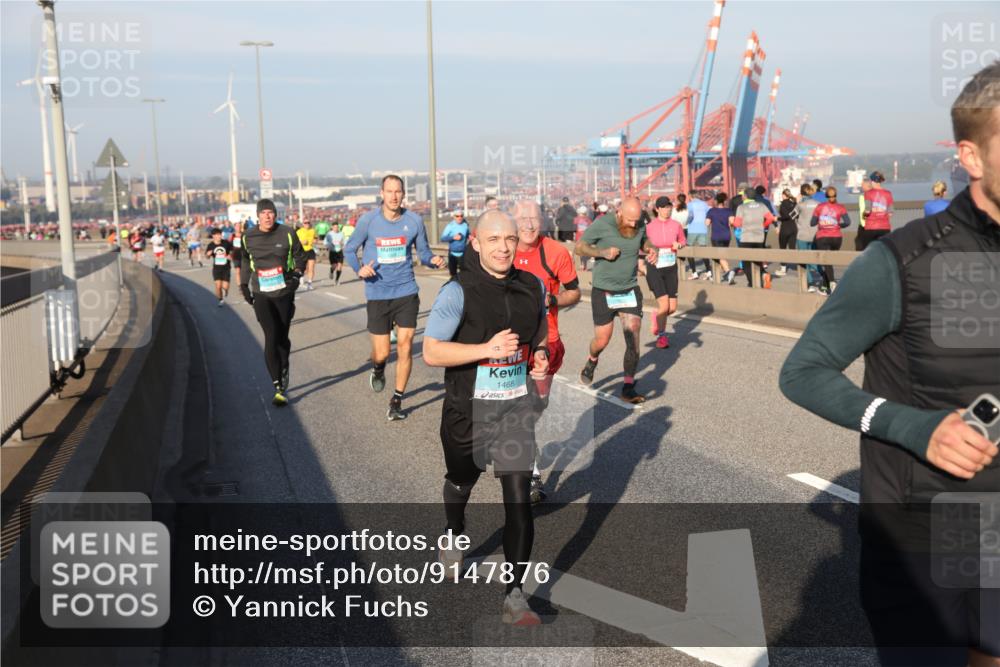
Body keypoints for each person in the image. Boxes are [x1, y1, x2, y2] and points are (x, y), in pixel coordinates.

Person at [780, 61, 999, 667]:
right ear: (972, 157)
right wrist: (914, 427)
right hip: (925, 536)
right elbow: (802, 372)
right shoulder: (900, 263)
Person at [422, 209, 548, 627]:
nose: (503, 247)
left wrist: (541, 359)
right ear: (475, 242)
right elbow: (432, 351)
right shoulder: (458, 292)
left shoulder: (532, 286)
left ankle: (515, 595)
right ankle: (454, 531)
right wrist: (484, 350)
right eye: (493, 239)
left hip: (514, 409)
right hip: (467, 411)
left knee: (519, 503)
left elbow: (538, 335)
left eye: (510, 239)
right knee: (461, 480)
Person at [344, 174, 446, 421]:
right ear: (382, 193)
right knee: (380, 353)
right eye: (389, 191)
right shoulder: (369, 221)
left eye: (398, 192)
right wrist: (359, 269)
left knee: (405, 345)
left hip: (406, 292)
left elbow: (422, 252)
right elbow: (349, 248)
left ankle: (397, 399)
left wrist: (432, 261)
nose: (393, 196)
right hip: (378, 293)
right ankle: (379, 369)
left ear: (403, 194)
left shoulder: (413, 220)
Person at [512, 199, 582, 502]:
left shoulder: (556, 252)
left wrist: (554, 300)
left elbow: (575, 291)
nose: (528, 224)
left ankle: (526, 449)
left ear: (543, 221)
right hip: (510, 345)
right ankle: (532, 472)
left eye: (534, 218)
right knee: (520, 411)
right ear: (513, 220)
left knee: (537, 405)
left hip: (547, 341)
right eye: (523, 218)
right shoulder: (503, 250)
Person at [574, 197, 657, 403]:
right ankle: (592, 360)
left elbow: (644, 239)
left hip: (628, 289)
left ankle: (628, 386)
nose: (633, 224)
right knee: (602, 339)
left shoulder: (639, 222)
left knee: (633, 334)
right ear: (619, 212)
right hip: (604, 291)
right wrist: (602, 252)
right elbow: (580, 247)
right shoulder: (603, 223)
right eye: (629, 220)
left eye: (636, 220)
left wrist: (650, 248)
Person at [239, 199, 307, 406]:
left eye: (271, 213)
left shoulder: (287, 232)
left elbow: (300, 256)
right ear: (258, 215)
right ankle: (277, 384)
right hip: (261, 293)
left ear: (276, 215)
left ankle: (284, 364)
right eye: (264, 213)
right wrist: (243, 285)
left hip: (284, 291)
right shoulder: (247, 236)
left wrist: (296, 276)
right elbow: (244, 260)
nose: (268, 216)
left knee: (282, 336)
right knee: (271, 335)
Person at [645, 196, 685, 349]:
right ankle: (662, 337)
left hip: (670, 267)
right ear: (657, 209)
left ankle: (657, 318)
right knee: (664, 305)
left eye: (669, 207)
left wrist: (679, 245)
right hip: (654, 267)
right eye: (664, 207)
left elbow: (683, 240)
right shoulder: (649, 227)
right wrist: (646, 255)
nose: (667, 210)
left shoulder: (676, 225)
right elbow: (642, 245)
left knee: (672, 307)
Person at [730, 186, 775, 288]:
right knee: (758, 261)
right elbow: (771, 218)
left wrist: (735, 223)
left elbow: (737, 224)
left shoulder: (741, 207)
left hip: (746, 238)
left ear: (745, 196)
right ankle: (762, 276)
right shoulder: (762, 205)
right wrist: (763, 226)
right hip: (759, 238)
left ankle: (752, 283)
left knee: (746, 263)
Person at [810, 186, 851, 294]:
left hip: (823, 237)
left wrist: (821, 220)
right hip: (837, 238)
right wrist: (837, 225)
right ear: (835, 195)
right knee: (830, 262)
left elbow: (812, 223)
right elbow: (847, 222)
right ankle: (824, 287)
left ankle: (832, 283)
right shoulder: (841, 207)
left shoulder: (819, 207)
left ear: (826, 196)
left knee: (826, 262)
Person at [794, 183, 822, 292]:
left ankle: (810, 283)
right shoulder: (818, 204)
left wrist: (797, 202)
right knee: (814, 257)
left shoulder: (800, 205)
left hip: (802, 235)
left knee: (804, 259)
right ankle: (821, 275)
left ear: (801, 192)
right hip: (815, 234)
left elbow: (792, 216)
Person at [857, 171, 894, 251]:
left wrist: (864, 217)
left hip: (870, 227)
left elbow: (867, 210)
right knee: (884, 251)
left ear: (873, 181)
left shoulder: (868, 193)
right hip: (885, 228)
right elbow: (890, 212)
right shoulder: (888, 193)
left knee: (868, 251)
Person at [707, 192, 735, 283]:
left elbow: (707, 223)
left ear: (716, 201)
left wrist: (712, 221)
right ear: (725, 201)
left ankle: (728, 272)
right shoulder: (729, 210)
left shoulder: (711, 211)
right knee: (722, 255)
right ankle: (717, 276)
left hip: (716, 236)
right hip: (727, 236)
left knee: (720, 256)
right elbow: (732, 222)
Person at [685, 191, 711, 278]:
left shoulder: (690, 204)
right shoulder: (704, 204)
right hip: (703, 229)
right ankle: (708, 271)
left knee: (688, 249)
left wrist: (686, 222)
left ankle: (694, 273)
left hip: (693, 229)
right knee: (703, 249)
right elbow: (709, 214)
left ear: (690, 196)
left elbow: (691, 215)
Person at [205, 228, 234, 307]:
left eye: (220, 234)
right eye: (217, 235)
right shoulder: (211, 245)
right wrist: (208, 254)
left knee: (225, 287)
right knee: (218, 286)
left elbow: (231, 253)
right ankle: (220, 300)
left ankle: (225, 292)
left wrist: (230, 256)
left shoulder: (226, 243)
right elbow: (207, 256)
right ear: (213, 236)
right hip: (216, 268)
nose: (219, 236)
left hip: (226, 268)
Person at [439, 209, 470, 278]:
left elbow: (468, 236)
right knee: (453, 274)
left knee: (464, 274)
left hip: (463, 253)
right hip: (453, 253)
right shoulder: (450, 226)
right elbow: (442, 238)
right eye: (457, 216)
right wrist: (453, 237)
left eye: (461, 216)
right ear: (454, 217)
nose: (459, 218)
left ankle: (463, 287)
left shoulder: (465, 225)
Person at [775, 189, 798, 276]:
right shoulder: (794, 203)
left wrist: (777, 218)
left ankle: (783, 268)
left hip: (785, 228)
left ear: (784, 195)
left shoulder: (783, 204)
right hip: (793, 228)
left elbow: (785, 216)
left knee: (783, 249)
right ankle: (799, 266)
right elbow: (796, 215)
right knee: (792, 248)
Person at [296, 220, 317, 290]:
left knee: (311, 268)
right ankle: (299, 280)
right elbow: (295, 241)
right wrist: (301, 242)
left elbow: (316, 238)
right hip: (302, 251)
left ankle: (309, 283)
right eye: (305, 223)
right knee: (304, 269)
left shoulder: (312, 231)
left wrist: (315, 240)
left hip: (310, 250)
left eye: (308, 223)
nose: (307, 224)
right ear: (303, 224)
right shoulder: (299, 231)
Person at [573, 206, 592, 271]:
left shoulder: (576, 219)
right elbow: (590, 228)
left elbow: (574, 228)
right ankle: (585, 266)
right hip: (586, 237)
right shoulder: (588, 219)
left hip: (578, 237)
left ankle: (581, 265)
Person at [230, 221, 244, 288]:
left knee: (243, 272)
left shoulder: (244, 235)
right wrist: (229, 254)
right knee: (238, 271)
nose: (238, 227)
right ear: (234, 227)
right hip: (235, 255)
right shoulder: (232, 236)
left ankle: (243, 284)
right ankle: (240, 286)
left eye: (239, 226)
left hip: (243, 255)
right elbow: (229, 245)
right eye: (237, 226)